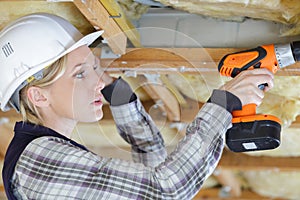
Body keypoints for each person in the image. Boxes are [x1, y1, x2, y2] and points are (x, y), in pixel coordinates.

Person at [0, 13, 274, 200]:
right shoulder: (38, 160)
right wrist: (224, 103)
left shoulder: (42, 155)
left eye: (96, 68)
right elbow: (165, 191)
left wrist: (118, 96)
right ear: (38, 96)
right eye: (80, 73)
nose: (98, 81)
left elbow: (152, 160)